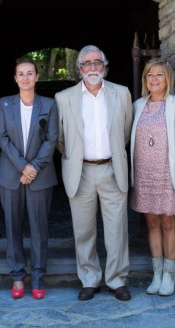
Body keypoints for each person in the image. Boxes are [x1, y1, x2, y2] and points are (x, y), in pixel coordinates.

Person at [55, 45, 134, 301]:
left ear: (105, 67)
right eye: (87, 63)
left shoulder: (121, 93)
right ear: (79, 69)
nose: (92, 68)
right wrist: (77, 157)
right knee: (84, 230)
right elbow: (60, 139)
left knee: (116, 230)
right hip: (81, 171)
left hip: (112, 168)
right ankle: (89, 279)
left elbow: (125, 131)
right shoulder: (64, 97)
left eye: (97, 62)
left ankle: (117, 279)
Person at [130, 59, 175, 296]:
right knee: (151, 222)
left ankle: (170, 275)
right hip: (144, 173)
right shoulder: (138, 105)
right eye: (149, 75)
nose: (153, 80)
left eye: (159, 75)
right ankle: (157, 273)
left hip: (168, 174)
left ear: (167, 78)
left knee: (169, 223)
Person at [0, 59, 58, 300]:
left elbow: (52, 139)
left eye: (29, 73)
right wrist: (23, 166)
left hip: (40, 176)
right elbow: (0, 136)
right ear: (15, 78)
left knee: (39, 227)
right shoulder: (5, 103)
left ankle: (39, 275)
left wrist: (34, 167)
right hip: (10, 175)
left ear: (37, 76)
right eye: (21, 74)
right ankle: (18, 275)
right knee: (12, 226)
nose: (25, 78)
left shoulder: (49, 104)